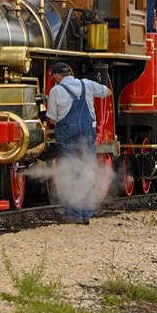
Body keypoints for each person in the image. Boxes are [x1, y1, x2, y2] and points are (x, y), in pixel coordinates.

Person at [44, 62, 111, 225]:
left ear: (58, 75)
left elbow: (51, 119)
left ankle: (74, 213)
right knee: (86, 170)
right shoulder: (86, 84)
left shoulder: (56, 91)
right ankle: (87, 213)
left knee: (69, 171)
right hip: (88, 133)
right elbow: (107, 91)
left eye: (53, 77)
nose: (54, 80)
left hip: (67, 135)